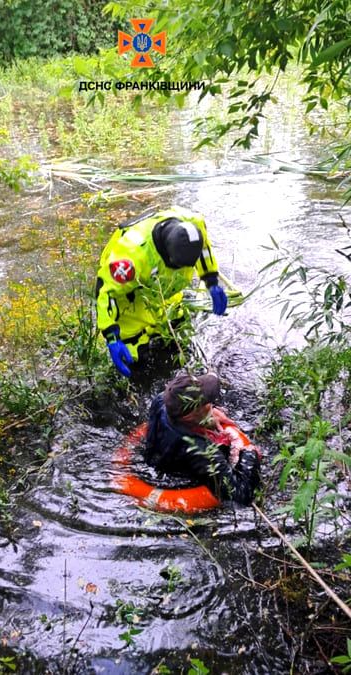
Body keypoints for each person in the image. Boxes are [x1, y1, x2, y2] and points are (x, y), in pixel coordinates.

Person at [96, 207, 229, 377]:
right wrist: (111, 336)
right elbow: (105, 293)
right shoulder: (131, 257)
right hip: (130, 297)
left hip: (164, 290)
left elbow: (204, 250)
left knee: (177, 336)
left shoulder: (193, 224)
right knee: (136, 359)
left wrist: (211, 281)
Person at [143, 372, 260, 506]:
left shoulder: (160, 402)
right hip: (178, 480)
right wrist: (250, 454)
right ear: (191, 416)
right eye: (207, 402)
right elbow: (241, 494)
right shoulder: (202, 451)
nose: (210, 402)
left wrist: (207, 414)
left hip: (157, 460)